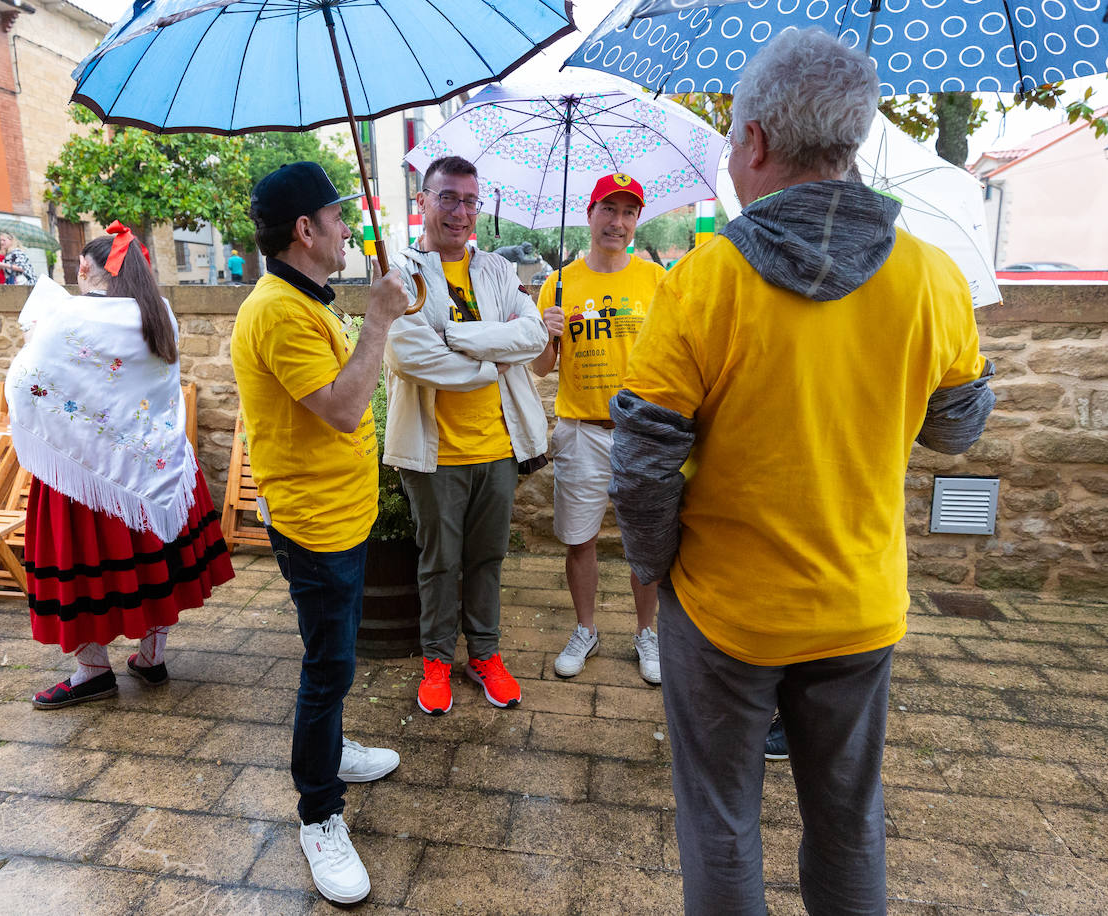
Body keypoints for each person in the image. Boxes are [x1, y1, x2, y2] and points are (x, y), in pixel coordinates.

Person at [607, 30, 995, 914]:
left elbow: (642, 462)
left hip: (725, 612)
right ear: (850, 141)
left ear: (754, 142)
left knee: (720, 824)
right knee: (849, 822)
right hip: (860, 606)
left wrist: (656, 565)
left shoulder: (706, 282)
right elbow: (957, 432)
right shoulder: (933, 279)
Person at [229, 162, 410, 905]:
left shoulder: (307, 300)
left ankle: (332, 750)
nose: (347, 230)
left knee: (333, 657)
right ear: (305, 230)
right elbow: (341, 407)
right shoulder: (276, 311)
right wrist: (378, 320)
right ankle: (318, 811)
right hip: (315, 527)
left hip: (344, 516)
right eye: (337, 218)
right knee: (326, 665)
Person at [6, 222, 235, 710]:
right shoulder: (160, 313)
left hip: (87, 473)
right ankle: (151, 658)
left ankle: (92, 671)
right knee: (157, 563)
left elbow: (27, 382)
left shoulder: (67, 320)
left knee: (89, 570)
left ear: (85, 267)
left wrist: (33, 335)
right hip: (160, 462)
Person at [385, 155, 548, 715]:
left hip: (498, 447)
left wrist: (452, 335)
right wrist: (489, 356)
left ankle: (484, 654)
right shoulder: (401, 274)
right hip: (434, 453)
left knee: (487, 559)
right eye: (447, 197)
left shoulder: (500, 270)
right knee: (437, 562)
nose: (460, 211)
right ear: (423, 201)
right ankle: (435, 661)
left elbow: (529, 337)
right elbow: (410, 355)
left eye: (470, 200)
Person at [530, 173, 666, 684]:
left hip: (641, 431)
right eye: (609, 209)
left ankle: (645, 633)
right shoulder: (559, 282)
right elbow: (543, 368)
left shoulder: (656, 281)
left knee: (644, 541)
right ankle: (585, 629)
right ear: (589, 215)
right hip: (581, 429)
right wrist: (547, 333)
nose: (618, 221)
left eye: (629, 212)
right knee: (579, 539)